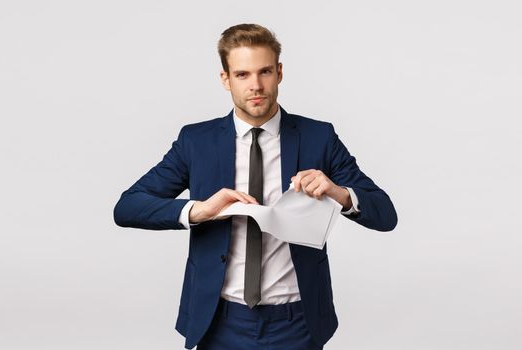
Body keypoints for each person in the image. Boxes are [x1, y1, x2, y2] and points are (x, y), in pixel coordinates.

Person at [113, 23, 397, 350]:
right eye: (243, 75)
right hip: (218, 320)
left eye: (264, 72)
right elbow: (128, 207)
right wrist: (199, 211)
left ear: (279, 73)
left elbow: (385, 215)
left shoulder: (319, 138)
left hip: (297, 322)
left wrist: (338, 193)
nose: (256, 86)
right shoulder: (196, 142)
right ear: (226, 79)